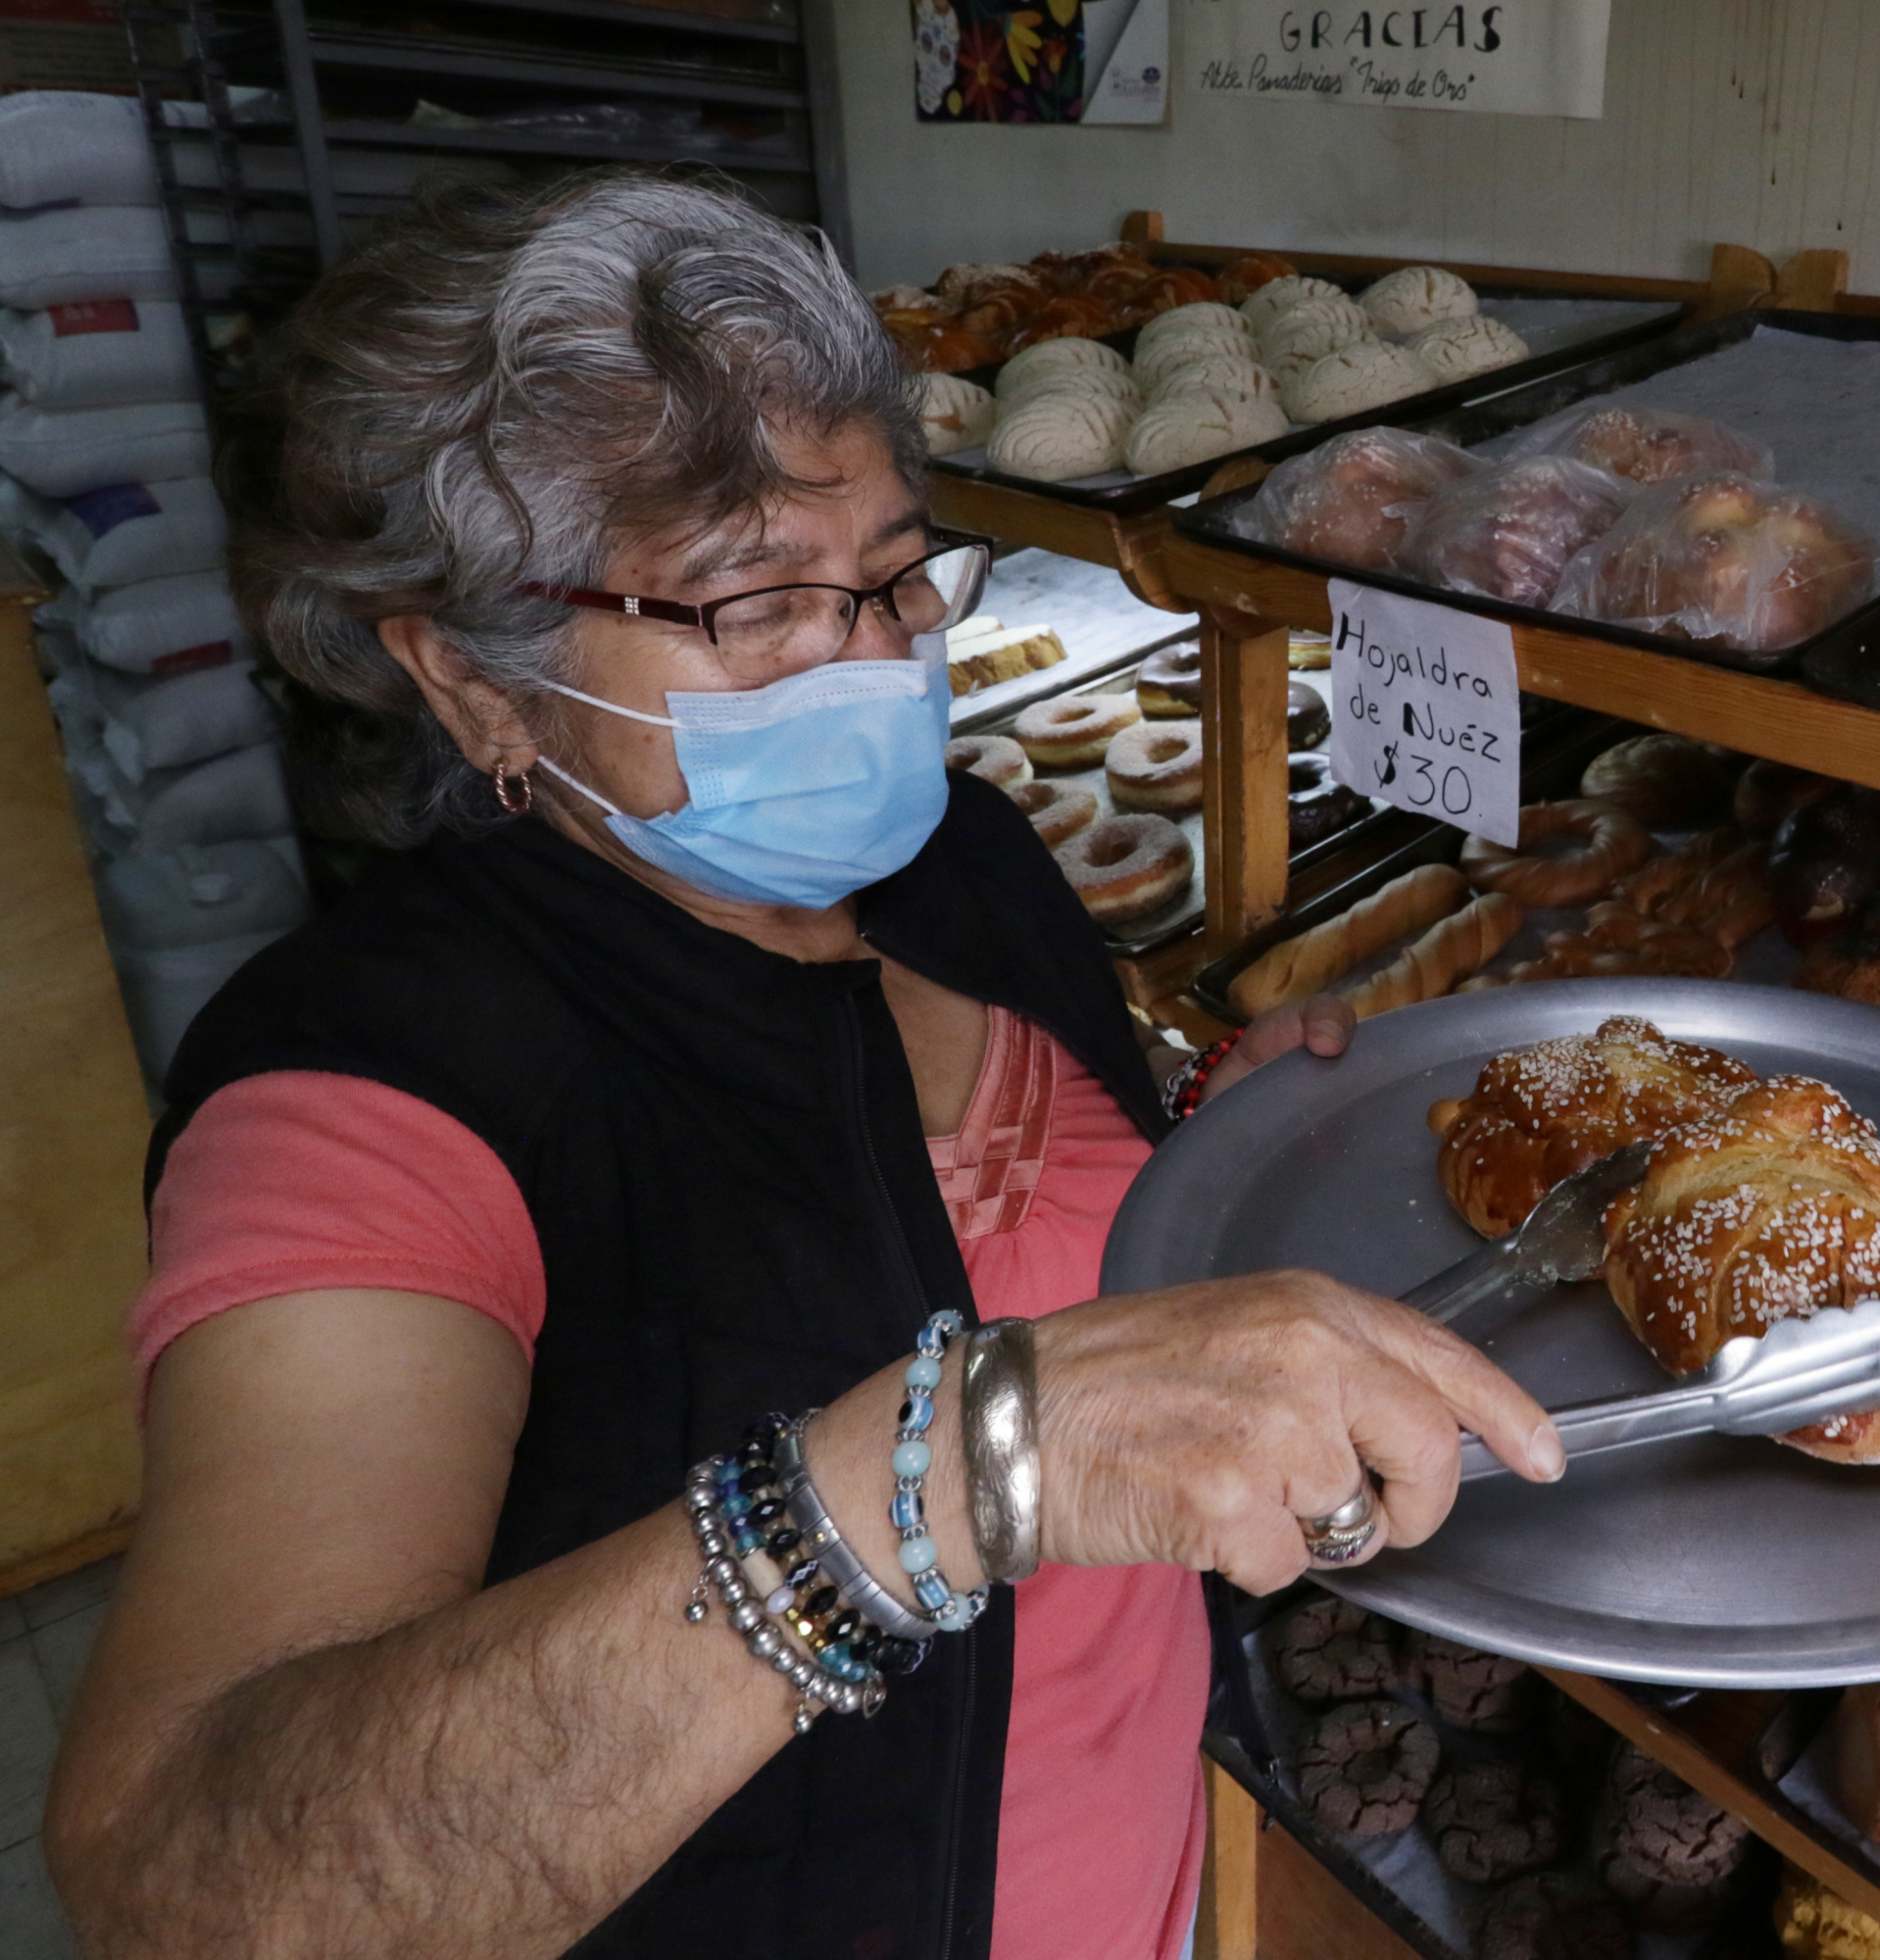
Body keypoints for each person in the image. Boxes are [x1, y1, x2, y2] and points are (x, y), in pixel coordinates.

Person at [41, 171, 1561, 1960]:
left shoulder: (955, 860)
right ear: (476, 684)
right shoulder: (374, 1095)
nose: (876, 665)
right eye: (752, 608)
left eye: (900, 576)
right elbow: (197, 1883)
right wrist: (963, 1469)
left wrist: (1209, 1139)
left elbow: (1019, 1240)